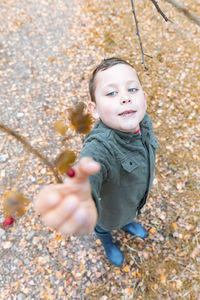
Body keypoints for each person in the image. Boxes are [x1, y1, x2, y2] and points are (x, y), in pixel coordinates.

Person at [34, 57, 158, 266]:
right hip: (108, 213)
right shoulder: (100, 146)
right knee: (103, 226)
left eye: (132, 90)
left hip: (131, 199)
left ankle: (128, 221)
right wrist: (80, 190)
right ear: (95, 109)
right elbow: (89, 165)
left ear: (144, 98)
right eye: (111, 93)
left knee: (128, 214)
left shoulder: (144, 122)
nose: (125, 98)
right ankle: (107, 241)